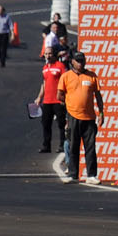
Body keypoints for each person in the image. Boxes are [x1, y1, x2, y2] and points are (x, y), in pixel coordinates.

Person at [58, 51, 105, 184]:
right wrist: (69, 104)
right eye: (78, 61)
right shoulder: (66, 76)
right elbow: (59, 95)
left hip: (89, 117)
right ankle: (73, 174)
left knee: (90, 147)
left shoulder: (91, 76)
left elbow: (98, 96)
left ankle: (91, 175)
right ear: (72, 61)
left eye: (82, 61)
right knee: (73, 146)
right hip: (73, 116)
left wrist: (101, 113)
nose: (80, 63)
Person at [35, 48, 68, 153]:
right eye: (46, 54)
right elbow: (44, 83)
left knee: (61, 124)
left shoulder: (60, 66)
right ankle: (46, 146)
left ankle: (62, 145)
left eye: (50, 54)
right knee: (46, 123)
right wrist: (39, 97)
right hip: (47, 101)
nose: (48, 56)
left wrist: (64, 97)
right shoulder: (45, 68)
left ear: (54, 55)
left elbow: (66, 82)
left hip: (58, 100)